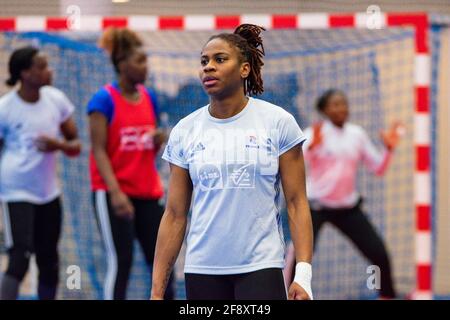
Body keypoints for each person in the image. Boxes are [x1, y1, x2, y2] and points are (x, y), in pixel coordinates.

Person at [151, 24, 313, 300]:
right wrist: (157, 292)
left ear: (244, 69)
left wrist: (303, 276)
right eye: (204, 61)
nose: (208, 67)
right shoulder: (184, 131)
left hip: (261, 266)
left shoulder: (278, 123)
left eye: (219, 59)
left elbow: (297, 202)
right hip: (202, 269)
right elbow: (175, 215)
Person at [289, 88, 401, 299]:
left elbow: (378, 168)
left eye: (344, 103)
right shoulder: (312, 134)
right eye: (336, 104)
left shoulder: (357, 134)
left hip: (348, 208)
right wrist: (311, 151)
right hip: (316, 208)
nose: (342, 108)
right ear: (324, 109)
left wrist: (388, 150)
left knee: (379, 254)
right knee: (298, 260)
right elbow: (293, 167)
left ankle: (387, 295)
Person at [87, 27, 174, 300]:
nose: (145, 66)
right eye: (140, 61)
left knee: (161, 261)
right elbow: (99, 150)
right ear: (122, 64)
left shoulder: (149, 98)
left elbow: (147, 143)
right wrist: (115, 194)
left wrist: (159, 139)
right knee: (121, 260)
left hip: (147, 191)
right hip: (114, 192)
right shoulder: (103, 100)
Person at [0, 46, 81, 300]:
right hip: (16, 191)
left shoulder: (55, 100)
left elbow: (75, 145)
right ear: (25, 73)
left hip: (48, 192)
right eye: (42, 66)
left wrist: (58, 145)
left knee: (49, 259)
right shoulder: (5, 108)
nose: (49, 71)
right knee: (20, 256)